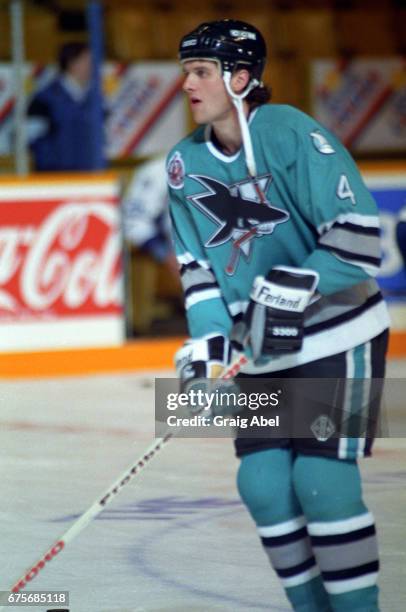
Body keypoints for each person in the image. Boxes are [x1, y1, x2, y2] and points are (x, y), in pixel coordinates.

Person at [167, 20, 390, 612]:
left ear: (240, 79)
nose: (187, 82)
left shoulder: (291, 132)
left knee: (322, 484)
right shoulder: (183, 166)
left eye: (201, 72)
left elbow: (361, 239)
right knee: (262, 485)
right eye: (186, 70)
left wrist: (293, 287)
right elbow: (199, 275)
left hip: (338, 336)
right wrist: (210, 342)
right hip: (260, 345)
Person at [27, 42, 104, 171]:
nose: (92, 66)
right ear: (71, 63)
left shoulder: (96, 99)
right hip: (55, 179)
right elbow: (31, 138)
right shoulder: (44, 99)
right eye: (86, 61)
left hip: (89, 177)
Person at [122, 154, 179, 279]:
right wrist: (164, 253)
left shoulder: (231, 167)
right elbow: (133, 220)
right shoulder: (164, 167)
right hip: (188, 259)